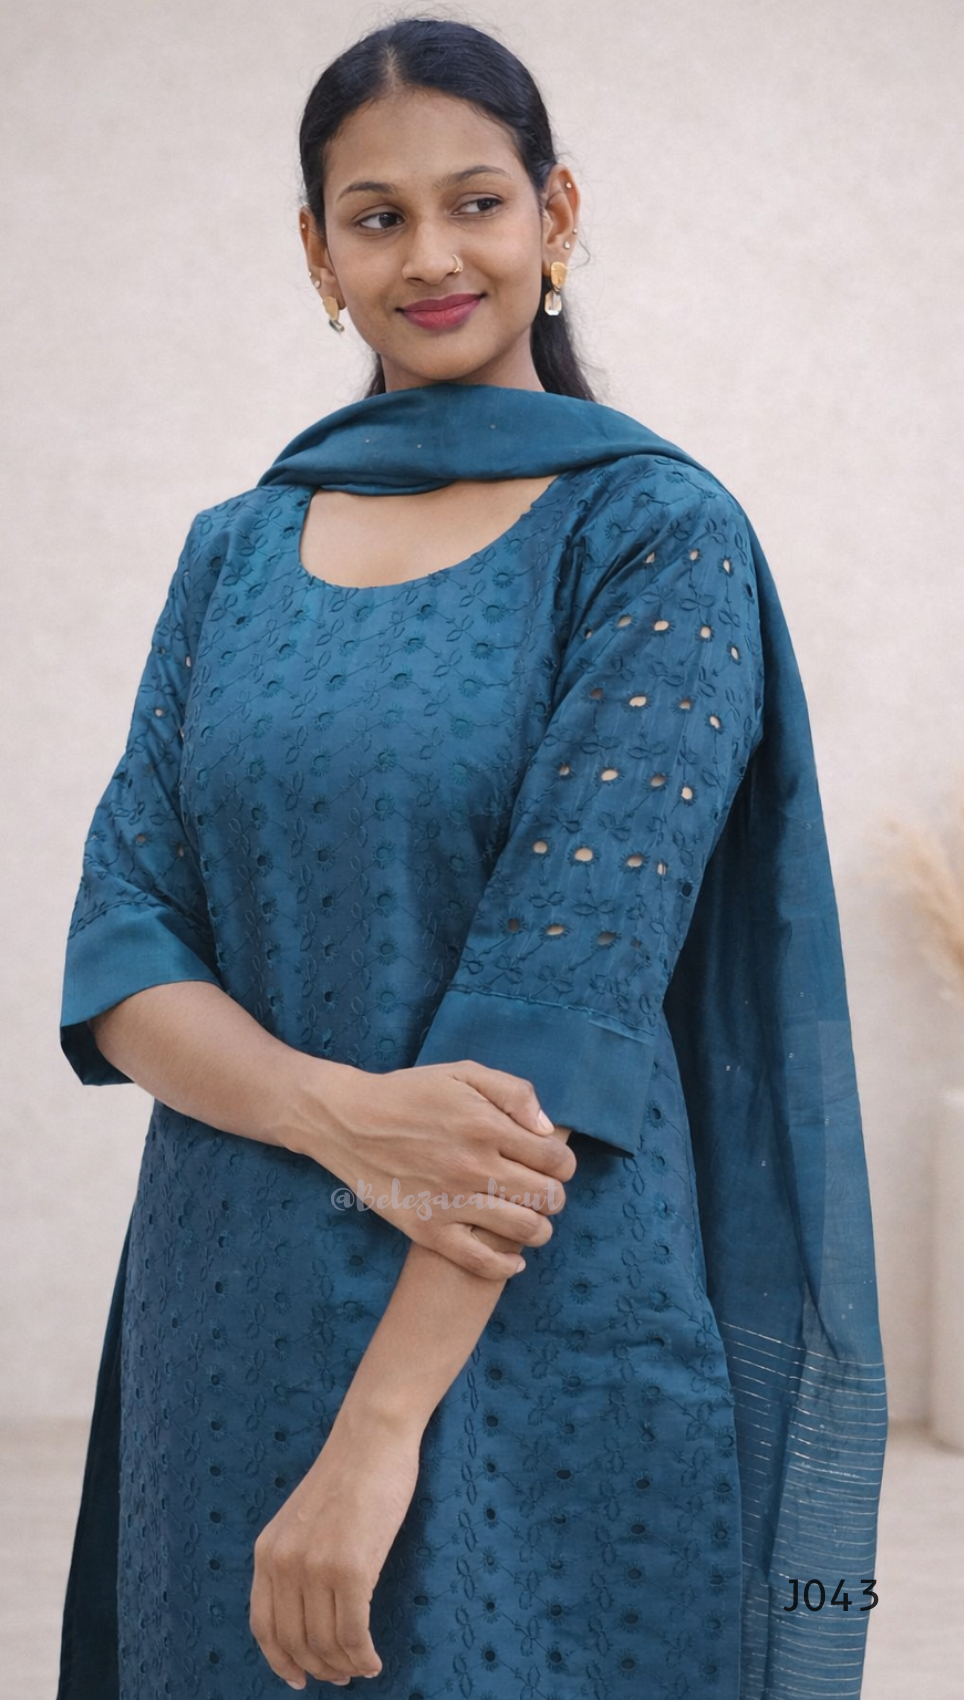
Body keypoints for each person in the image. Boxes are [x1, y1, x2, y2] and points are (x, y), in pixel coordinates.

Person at [56, 17, 887, 1700]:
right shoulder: (236, 549)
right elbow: (123, 939)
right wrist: (334, 1111)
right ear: (316, 251)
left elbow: (558, 1001)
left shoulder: (655, 531)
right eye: (375, 215)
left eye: (476, 201)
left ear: (555, 212)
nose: (431, 257)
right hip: (220, 1313)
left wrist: (371, 1449)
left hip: (526, 1322)